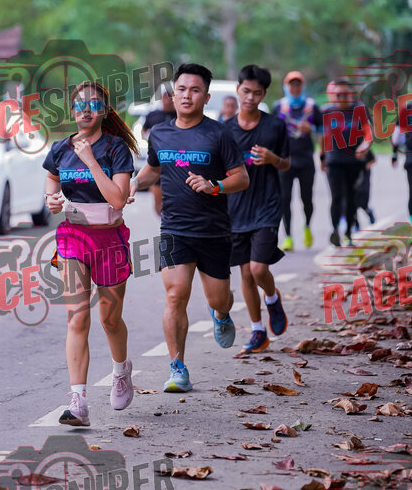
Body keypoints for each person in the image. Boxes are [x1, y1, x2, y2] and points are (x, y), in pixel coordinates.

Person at [128, 64, 249, 393]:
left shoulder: (219, 134)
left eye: (195, 90)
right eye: (181, 89)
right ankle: (177, 367)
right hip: (174, 229)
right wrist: (135, 183)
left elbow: (242, 178)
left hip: (213, 231)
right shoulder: (160, 133)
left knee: (219, 299)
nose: (186, 95)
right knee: (175, 295)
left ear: (205, 97)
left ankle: (220, 315)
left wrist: (214, 186)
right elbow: (153, 168)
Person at [42, 81, 138, 427]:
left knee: (109, 319)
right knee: (77, 317)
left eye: (94, 104)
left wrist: (90, 160)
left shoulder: (115, 149)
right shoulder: (60, 149)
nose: (86, 109)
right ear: (72, 110)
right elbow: (52, 178)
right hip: (73, 238)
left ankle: (121, 371)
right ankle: (78, 402)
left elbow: (118, 198)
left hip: (109, 240)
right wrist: (51, 199)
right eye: (79, 104)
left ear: (105, 111)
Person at [225, 65, 291, 354]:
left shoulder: (275, 126)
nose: (250, 97)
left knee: (258, 268)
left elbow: (287, 163)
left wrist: (273, 158)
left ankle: (272, 298)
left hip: (267, 205)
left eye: (257, 93)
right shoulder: (225, 130)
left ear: (264, 94)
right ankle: (258, 331)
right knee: (245, 275)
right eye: (246, 91)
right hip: (235, 209)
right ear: (238, 89)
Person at [272, 71, 323, 251]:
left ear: (302, 86)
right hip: (284, 161)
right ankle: (288, 237)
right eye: (291, 84)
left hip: (306, 160)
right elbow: (271, 132)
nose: (295, 88)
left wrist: (312, 129)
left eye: (298, 84)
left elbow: (323, 130)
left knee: (306, 199)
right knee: (284, 199)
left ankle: (307, 226)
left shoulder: (311, 106)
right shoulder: (279, 106)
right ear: (286, 87)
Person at [320, 78, 371, 247]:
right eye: (338, 95)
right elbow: (323, 136)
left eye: (345, 94)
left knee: (351, 197)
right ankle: (335, 230)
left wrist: (365, 146)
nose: (341, 98)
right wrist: (322, 157)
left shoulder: (359, 109)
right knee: (336, 196)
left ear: (351, 94)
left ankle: (349, 232)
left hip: (354, 161)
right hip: (334, 161)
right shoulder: (327, 111)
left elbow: (369, 132)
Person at [141, 89, 176, 216]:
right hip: (156, 162)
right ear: (162, 99)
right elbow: (143, 131)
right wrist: (149, 139)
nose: (168, 100)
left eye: (171, 97)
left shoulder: (180, 116)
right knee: (158, 206)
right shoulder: (153, 115)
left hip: (175, 163)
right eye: (166, 97)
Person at [354, 148, 376, 231]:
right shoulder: (351, 150)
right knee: (353, 204)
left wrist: (367, 166)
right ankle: (356, 224)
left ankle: (370, 213)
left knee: (363, 203)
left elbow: (373, 160)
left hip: (364, 180)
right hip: (354, 179)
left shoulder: (364, 149)